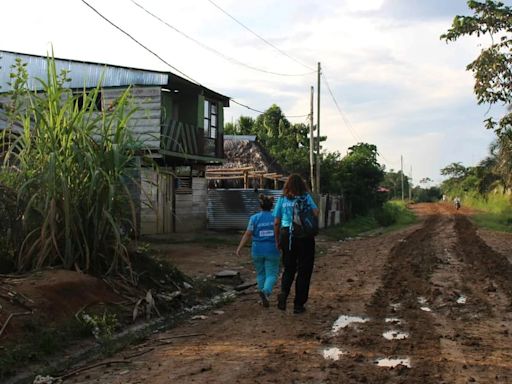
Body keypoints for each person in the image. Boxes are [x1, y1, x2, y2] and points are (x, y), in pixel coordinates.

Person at [273, 174, 319, 314]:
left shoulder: (282, 200)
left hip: (287, 235)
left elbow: (276, 222)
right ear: (302, 185)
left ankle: (284, 293)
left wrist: (277, 240)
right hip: (305, 236)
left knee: (289, 268)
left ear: (287, 186)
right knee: (304, 270)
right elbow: (316, 213)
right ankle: (298, 305)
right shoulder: (306, 197)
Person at [236, 194, 280, 307]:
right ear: (272, 206)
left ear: (260, 206)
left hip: (257, 250)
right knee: (272, 274)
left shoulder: (254, 218)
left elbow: (248, 234)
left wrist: (239, 248)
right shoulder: (276, 217)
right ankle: (266, 292)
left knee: (261, 274)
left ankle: (262, 297)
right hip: (272, 249)